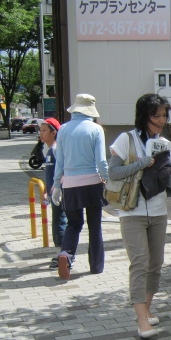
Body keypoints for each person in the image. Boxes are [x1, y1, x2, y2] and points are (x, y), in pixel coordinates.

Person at [108, 93, 171, 339]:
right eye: (157, 115)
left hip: (158, 211)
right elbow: (113, 172)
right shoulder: (126, 139)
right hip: (131, 211)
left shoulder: (164, 143)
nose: (162, 120)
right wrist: (141, 163)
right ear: (145, 115)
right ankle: (142, 320)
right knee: (140, 263)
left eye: (164, 115)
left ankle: (147, 308)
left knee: (155, 264)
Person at [52, 93, 108, 280]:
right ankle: (96, 266)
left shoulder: (64, 130)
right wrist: (107, 180)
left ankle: (65, 255)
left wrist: (56, 185)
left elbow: (59, 160)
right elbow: (101, 160)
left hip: (70, 183)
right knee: (95, 225)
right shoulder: (96, 129)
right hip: (92, 182)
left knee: (74, 224)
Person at [40, 118, 67, 268]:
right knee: (57, 221)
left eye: (44, 130)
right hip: (53, 193)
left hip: (60, 193)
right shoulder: (48, 150)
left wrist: (58, 187)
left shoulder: (57, 149)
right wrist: (45, 189)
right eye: (41, 130)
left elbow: (63, 170)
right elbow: (49, 173)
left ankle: (63, 254)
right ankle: (61, 253)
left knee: (60, 221)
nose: (41, 134)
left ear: (53, 133)